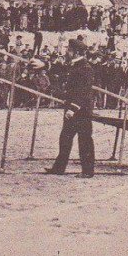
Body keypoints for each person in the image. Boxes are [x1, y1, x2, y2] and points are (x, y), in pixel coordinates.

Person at [45, 38, 95, 178]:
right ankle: (59, 168)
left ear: (76, 52)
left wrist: (73, 108)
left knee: (84, 140)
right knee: (65, 138)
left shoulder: (85, 68)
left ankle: (87, 171)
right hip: (72, 110)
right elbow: (59, 70)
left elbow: (83, 91)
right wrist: (46, 65)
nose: (67, 52)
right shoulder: (74, 65)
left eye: (69, 50)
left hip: (81, 110)